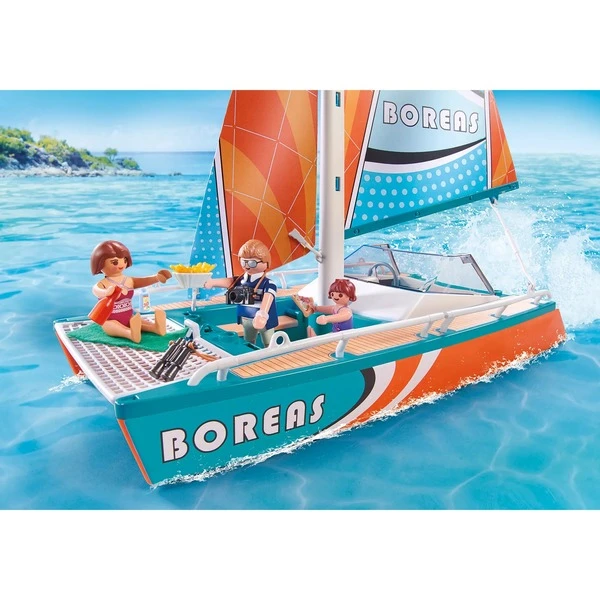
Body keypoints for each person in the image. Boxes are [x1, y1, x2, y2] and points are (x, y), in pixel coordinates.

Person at [90, 240, 172, 343]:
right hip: (110, 319)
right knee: (109, 325)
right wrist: (106, 293)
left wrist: (156, 278)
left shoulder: (128, 280)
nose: (121, 264)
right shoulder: (104, 284)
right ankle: (130, 333)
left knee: (137, 321)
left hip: (128, 317)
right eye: (115, 262)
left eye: (124, 260)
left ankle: (155, 328)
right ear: (100, 263)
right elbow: (96, 290)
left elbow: (143, 281)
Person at [205, 239, 278, 347]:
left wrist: (262, 314)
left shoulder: (268, 283)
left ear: (265, 262)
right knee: (248, 341)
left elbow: (268, 297)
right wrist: (213, 282)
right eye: (244, 262)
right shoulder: (241, 280)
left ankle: (271, 353)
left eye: (252, 263)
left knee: (269, 342)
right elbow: (229, 281)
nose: (247, 266)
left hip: (264, 320)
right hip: (246, 318)